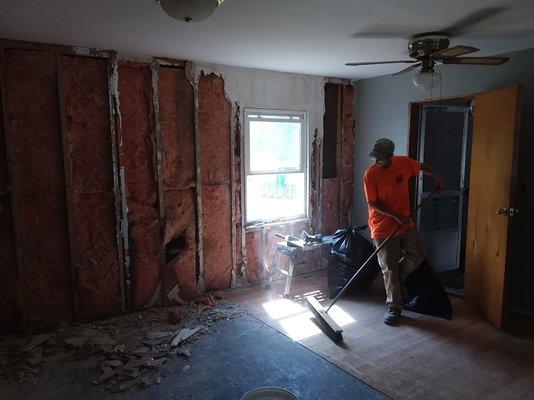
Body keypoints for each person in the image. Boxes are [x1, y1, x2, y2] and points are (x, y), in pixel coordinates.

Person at [363, 138, 444, 325]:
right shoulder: (370, 174)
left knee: (418, 253)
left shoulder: (403, 163)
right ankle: (394, 306)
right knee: (388, 266)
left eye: (380, 158)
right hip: (382, 226)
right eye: (374, 157)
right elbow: (372, 203)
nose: (376, 161)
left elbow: (421, 166)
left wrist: (437, 176)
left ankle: (397, 281)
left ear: (391, 156)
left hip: (405, 223)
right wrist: (396, 215)